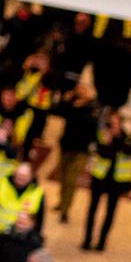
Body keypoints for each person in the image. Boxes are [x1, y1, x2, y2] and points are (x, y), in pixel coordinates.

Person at [81, 112, 131, 252]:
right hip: (100, 178)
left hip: (116, 182)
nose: (113, 126)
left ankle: (102, 242)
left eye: (116, 123)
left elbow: (129, 151)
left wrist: (116, 140)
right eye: (111, 123)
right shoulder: (101, 137)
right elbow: (104, 152)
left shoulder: (127, 138)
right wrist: (109, 142)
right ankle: (87, 240)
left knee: (110, 213)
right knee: (92, 209)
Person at [50, 81, 100, 226]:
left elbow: (92, 125)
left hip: (81, 150)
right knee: (62, 176)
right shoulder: (71, 103)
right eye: (79, 89)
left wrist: (83, 106)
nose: (81, 91)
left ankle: (65, 210)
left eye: (84, 89)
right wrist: (66, 100)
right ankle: (62, 201)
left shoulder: (92, 106)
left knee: (71, 180)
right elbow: (57, 112)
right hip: (66, 146)